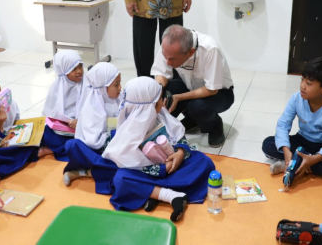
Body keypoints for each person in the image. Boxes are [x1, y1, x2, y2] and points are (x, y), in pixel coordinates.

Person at [102, 77, 215, 222]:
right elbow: (126, 160)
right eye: (160, 99)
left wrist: (180, 153)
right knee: (121, 178)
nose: (163, 102)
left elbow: (178, 135)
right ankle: (171, 196)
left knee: (204, 162)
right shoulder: (128, 129)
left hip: (172, 167)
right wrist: (161, 168)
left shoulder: (160, 114)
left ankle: (151, 194)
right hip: (147, 173)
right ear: (151, 104)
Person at [262, 57, 322, 183]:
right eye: (302, 80)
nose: (302, 86)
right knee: (268, 144)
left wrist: (317, 157)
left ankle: (295, 164)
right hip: (302, 141)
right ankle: (311, 166)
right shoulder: (296, 98)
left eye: (309, 83)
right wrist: (286, 150)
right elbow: (283, 125)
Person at [151, 25, 234, 148]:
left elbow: (211, 89)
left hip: (219, 93)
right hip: (189, 86)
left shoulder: (210, 49)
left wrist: (179, 97)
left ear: (191, 52)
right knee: (164, 94)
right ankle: (192, 120)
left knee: (198, 107)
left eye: (172, 59)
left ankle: (214, 124)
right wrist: (158, 93)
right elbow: (161, 73)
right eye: (165, 57)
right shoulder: (168, 45)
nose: (167, 62)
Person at [63, 62, 122, 190]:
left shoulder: (120, 99)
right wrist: (114, 136)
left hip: (115, 148)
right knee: (73, 146)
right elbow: (92, 140)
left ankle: (86, 172)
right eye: (116, 85)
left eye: (120, 83)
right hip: (96, 149)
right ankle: (88, 171)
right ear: (103, 87)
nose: (120, 88)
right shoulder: (92, 105)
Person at [41, 50, 85, 160]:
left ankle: (52, 150)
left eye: (80, 66)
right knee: (44, 134)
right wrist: (62, 122)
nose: (79, 71)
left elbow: (94, 110)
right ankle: (57, 148)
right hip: (63, 129)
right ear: (64, 71)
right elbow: (49, 113)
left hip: (84, 128)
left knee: (83, 143)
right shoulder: (56, 88)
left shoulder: (88, 85)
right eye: (73, 69)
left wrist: (80, 120)